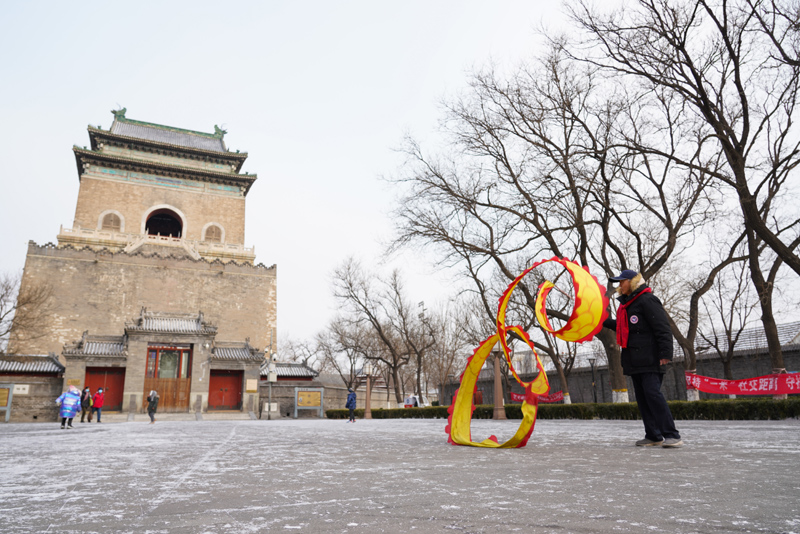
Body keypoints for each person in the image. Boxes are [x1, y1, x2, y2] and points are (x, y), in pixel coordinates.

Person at [603, 269, 683, 448]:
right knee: (643, 398)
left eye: (622, 282)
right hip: (635, 360)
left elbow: (663, 328)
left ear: (631, 282)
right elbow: (625, 328)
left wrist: (665, 354)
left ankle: (672, 434)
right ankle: (653, 435)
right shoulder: (628, 305)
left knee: (653, 395)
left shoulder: (647, 300)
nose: (619, 286)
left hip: (651, 358)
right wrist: (603, 321)